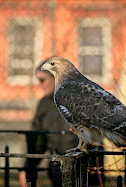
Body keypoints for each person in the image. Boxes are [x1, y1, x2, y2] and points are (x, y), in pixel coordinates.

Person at [19, 58, 78, 187]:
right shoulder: (44, 104)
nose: (39, 85)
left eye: (42, 80)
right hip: (56, 172)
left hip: (83, 171)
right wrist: (27, 169)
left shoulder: (79, 98)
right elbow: (37, 140)